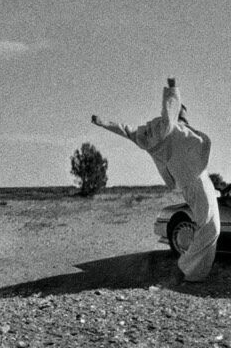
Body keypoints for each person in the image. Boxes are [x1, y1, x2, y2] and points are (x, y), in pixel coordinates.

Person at [91, 78, 219, 283]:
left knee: (209, 226)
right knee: (210, 228)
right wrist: (171, 88)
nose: (184, 116)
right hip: (196, 182)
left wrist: (102, 122)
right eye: (182, 112)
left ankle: (194, 269)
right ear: (176, 113)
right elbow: (170, 108)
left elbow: (124, 128)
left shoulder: (149, 134)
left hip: (192, 183)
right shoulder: (169, 127)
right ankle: (189, 268)